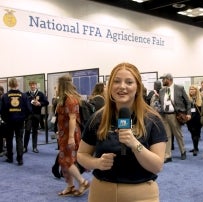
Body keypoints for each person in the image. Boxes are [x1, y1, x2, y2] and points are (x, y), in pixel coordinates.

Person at [77, 62, 167, 202]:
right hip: (101, 193)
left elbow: (157, 166)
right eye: (116, 81)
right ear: (110, 86)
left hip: (141, 194)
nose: (122, 86)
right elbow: (81, 155)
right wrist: (97, 163)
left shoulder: (153, 120)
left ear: (137, 87)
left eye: (129, 82)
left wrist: (134, 143)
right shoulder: (97, 119)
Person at [55, 74, 89, 196]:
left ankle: (82, 181)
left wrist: (70, 138)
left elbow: (73, 118)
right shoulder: (64, 98)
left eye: (58, 84)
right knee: (64, 160)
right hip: (65, 133)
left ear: (62, 85)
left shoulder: (70, 99)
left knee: (67, 160)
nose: (56, 86)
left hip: (71, 134)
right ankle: (70, 185)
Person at [159, 73, 191, 163]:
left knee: (178, 134)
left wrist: (188, 113)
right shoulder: (161, 91)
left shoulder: (179, 88)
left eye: (163, 79)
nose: (162, 81)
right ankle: (168, 155)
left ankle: (183, 151)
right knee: (167, 136)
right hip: (164, 115)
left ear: (169, 79)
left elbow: (188, 102)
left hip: (175, 115)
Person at [0, 78, 32, 165]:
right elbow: (29, 110)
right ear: (17, 84)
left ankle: (10, 157)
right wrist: (23, 118)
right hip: (20, 121)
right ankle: (20, 159)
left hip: (9, 121)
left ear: (9, 85)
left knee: (9, 139)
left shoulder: (5, 96)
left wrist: (5, 119)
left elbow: (2, 110)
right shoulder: (24, 96)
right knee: (19, 139)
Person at [23, 80, 49, 153]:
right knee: (27, 131)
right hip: (28, 116)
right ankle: (25, 147)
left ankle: (35, 147)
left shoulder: (40, 94)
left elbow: (46, 102)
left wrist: (40, 103)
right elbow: (23, 103)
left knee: (35, 131)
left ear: (36, 85)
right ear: (29, 86)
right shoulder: (26, 94)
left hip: (37, 115)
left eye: (33, 85)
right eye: (31, 85)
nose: (32, 86)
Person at [186, 85, 202, 156]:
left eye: (193, 89)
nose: (191, 90)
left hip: (197, 120)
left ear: (196, 91)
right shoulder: (187, 99)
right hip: (189, 120)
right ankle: (195, 147)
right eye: (190, 89)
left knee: (196, 134)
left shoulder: (200, 100)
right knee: (192, 134)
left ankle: (195, 148)